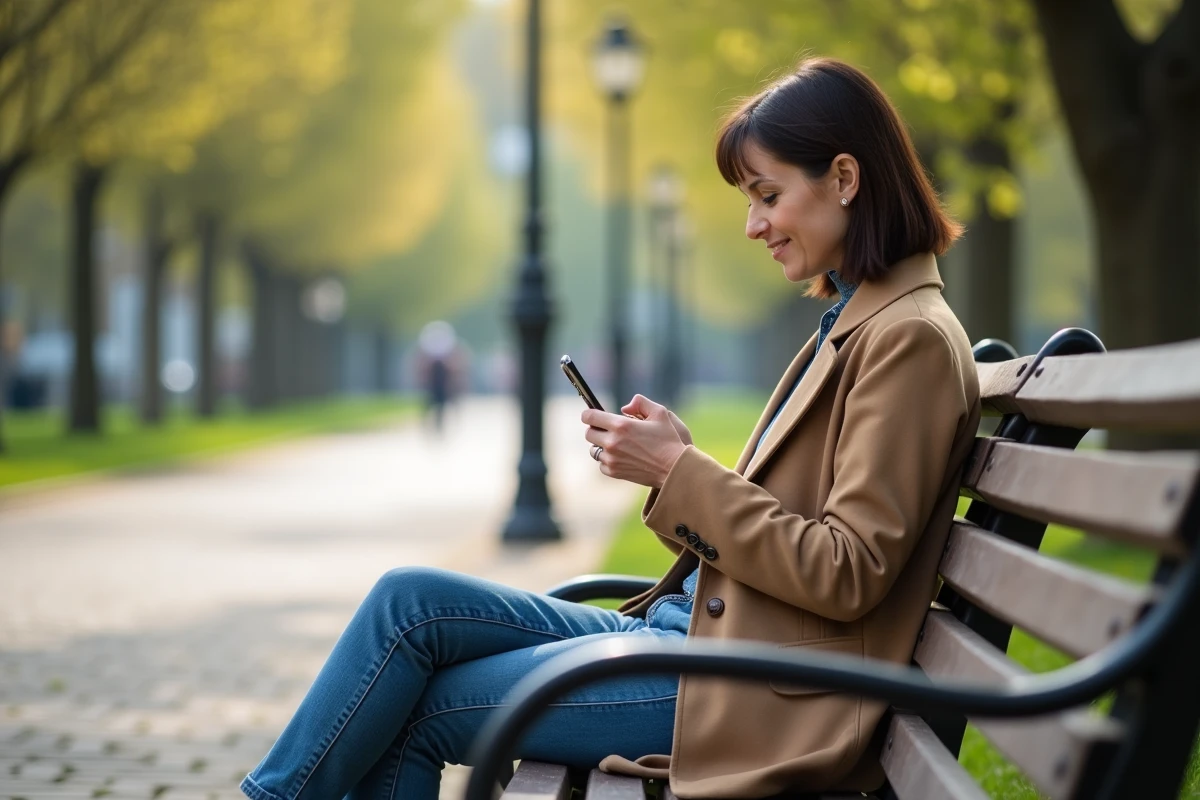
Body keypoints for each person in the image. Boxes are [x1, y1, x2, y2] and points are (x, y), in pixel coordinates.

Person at [239, 56, 980, 800]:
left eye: (768, 195)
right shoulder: (862, 320)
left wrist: (677, 474)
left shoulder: (904, 338)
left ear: (845, 179)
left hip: (751, 690)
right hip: (703, 645)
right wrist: (684, 463)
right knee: (409, 603)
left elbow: (847, 571)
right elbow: (796, 538)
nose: (754, 225)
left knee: (414, 708)